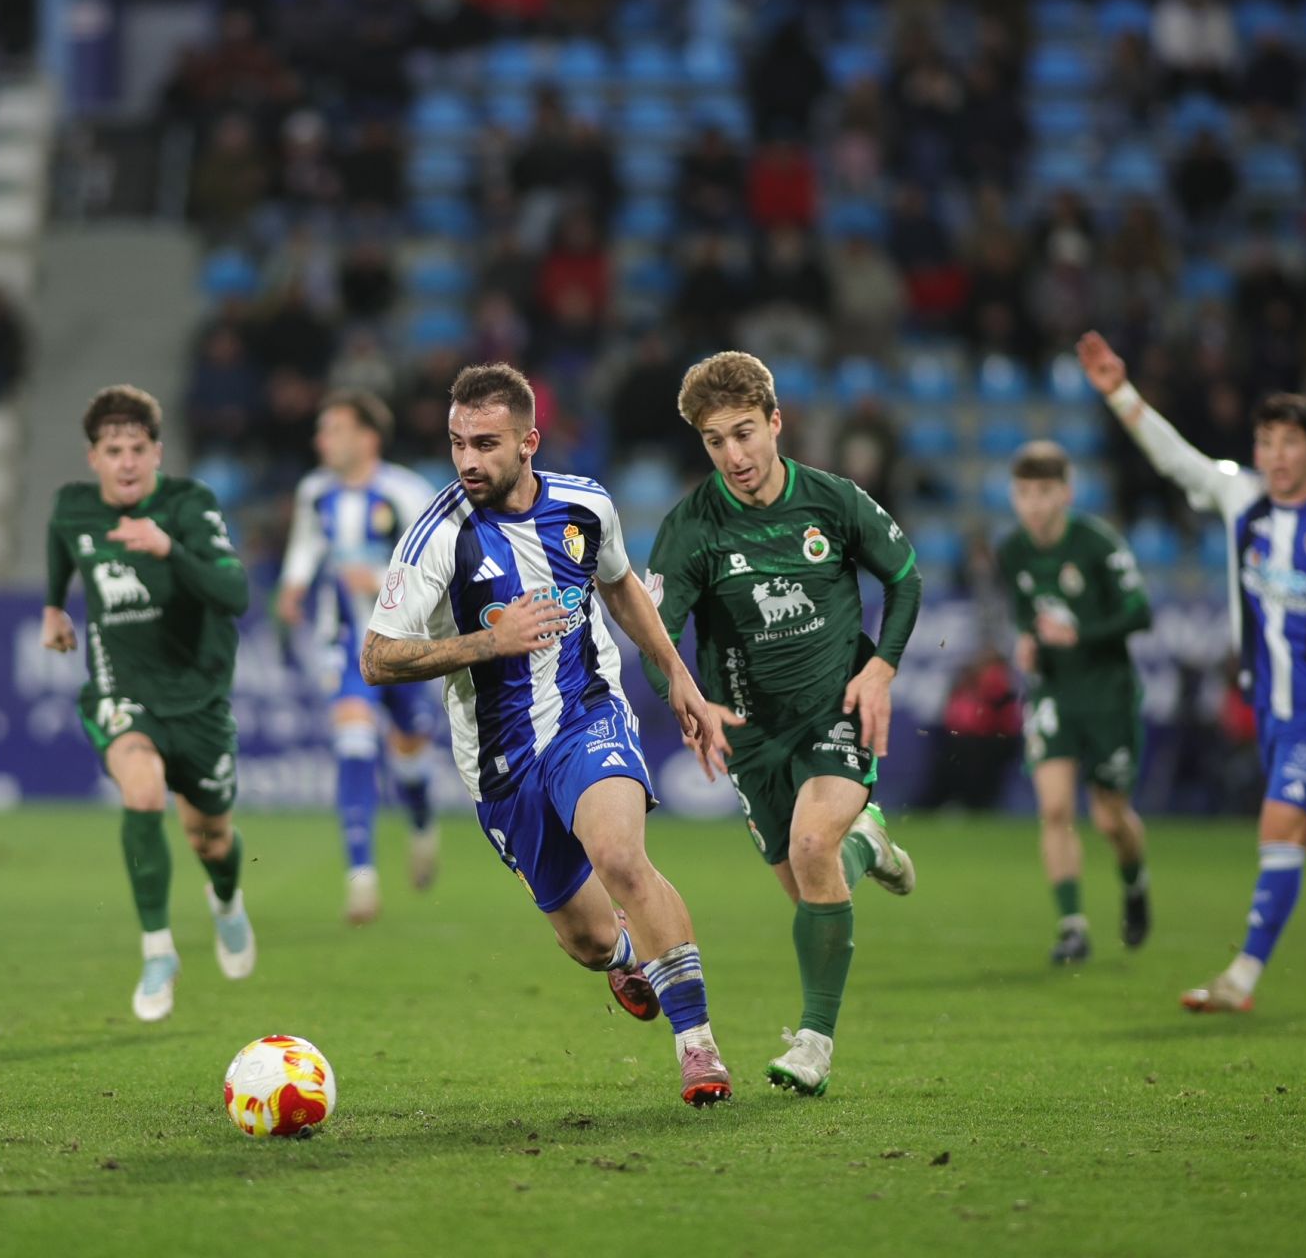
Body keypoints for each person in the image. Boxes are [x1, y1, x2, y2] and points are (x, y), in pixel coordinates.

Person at [361, 362, 737, 1106]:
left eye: (486, 443)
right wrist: (483, 646)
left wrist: (679, 676)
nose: (468, 460)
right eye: (457, 442)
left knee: (621, 856)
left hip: (585, 716)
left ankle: (698, 1047)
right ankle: (628, 952)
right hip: (501, 766)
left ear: (529, 441)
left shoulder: (584, 505)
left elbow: (621, 584)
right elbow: (377, 658)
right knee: (588, 940)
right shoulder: (438, 536)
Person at [1079, 331, 1306, 1011]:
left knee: (1280, 825)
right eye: (1267, 442)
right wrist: (1119, 392)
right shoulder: (1240, 500)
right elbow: (1175, 458)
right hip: (1272, 707)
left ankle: (1241, 977)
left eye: (1290, 443)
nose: (1277, 456)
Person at [643, 351, 921, 1097]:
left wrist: (882, 668)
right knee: (812, 888)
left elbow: (904, 577)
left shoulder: (832, 501)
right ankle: (871, 844)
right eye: (714, 441)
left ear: (775, 422)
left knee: (809, 845)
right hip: (751, 737)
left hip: (834, 711)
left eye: (743, 433)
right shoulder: (691, 529)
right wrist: (685, 694)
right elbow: (655, 637)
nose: (733, 455)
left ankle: (814, 1044)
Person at [41, 386, 255, 1023]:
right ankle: (158, 951)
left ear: (158, 452)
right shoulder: (75, 509)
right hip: (121, 690)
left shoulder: (190, 506)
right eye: (114, 450)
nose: (127, 462)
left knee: (210, 837)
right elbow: (62, 543)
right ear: (94, 458)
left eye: (138, 449)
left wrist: (169, 549)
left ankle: (226, 901)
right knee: (141, 789)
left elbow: (236, 592)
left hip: (199, 700)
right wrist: (53, 605)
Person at [276, 391, 441, 924]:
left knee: (410, 752)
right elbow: (306, 544)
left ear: (367, 437)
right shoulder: (315, 491)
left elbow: (440, 564)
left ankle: (420, 825)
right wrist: (294, 585)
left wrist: (382, 581)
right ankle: (361, 877)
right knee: (353, 738)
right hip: (343, 639)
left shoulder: (407, 491)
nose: (322, 439)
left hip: (407, 642)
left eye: (334, 429)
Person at [996, 440, 1154, 965]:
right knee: (1056, 807)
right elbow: (1026, 613)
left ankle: (1134, 883)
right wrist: (1026, 640)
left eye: (1043, 492)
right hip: (1054, 693)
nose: (1033, 504)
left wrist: (1080, 634)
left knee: (1110, 818)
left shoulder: (1097, 544)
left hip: (1107, 692)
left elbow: (1140, 613)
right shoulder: (1013, 550)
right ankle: (1072, 927)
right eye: (1023, 493)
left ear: (1065, 492)